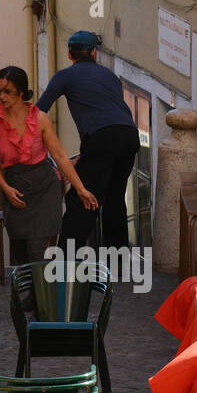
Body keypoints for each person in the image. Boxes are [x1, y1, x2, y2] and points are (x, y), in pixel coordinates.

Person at [36, 30, 140, 252]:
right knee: (115, 198)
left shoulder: (64, 77)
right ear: (94, 52)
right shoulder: (109, 76)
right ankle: (118, 262)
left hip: (101, 138)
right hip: (129, 136)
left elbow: (38, 112)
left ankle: (65, 262)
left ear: (69, 54)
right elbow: (111, 113)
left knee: (81, 199)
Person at [0, 66, 98, 265]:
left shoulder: (41, 119)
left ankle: (41, 296)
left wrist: (80, 189)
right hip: (14, 187)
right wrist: (5, 189)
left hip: (44, 187)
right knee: (20, 254)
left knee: (37, 252)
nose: (1, 96)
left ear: (21, 92)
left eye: (7, 91)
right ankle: (23, 296)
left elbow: (60, 156)